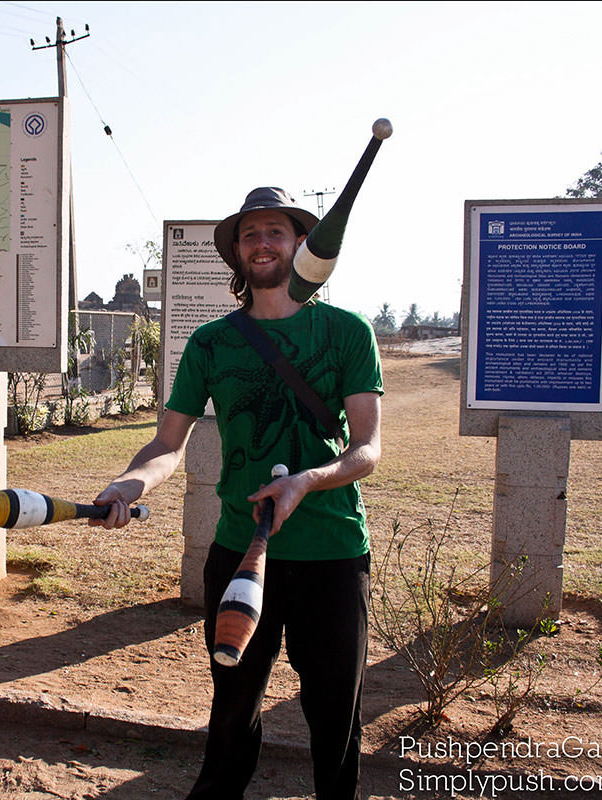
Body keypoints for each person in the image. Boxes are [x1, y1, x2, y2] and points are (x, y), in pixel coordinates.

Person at [91, 187, 383, 799]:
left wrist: (309, 479)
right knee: (232, 709)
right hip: (237, 553)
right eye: (250, 234)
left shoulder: (347, 332)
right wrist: (129, 481)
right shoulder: (210, 343)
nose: (263, 242)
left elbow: (366, 450)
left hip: (330, 552)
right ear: (236, 253)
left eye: (276, 230)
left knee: (335, 716)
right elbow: (169, 443)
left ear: (301, 243)